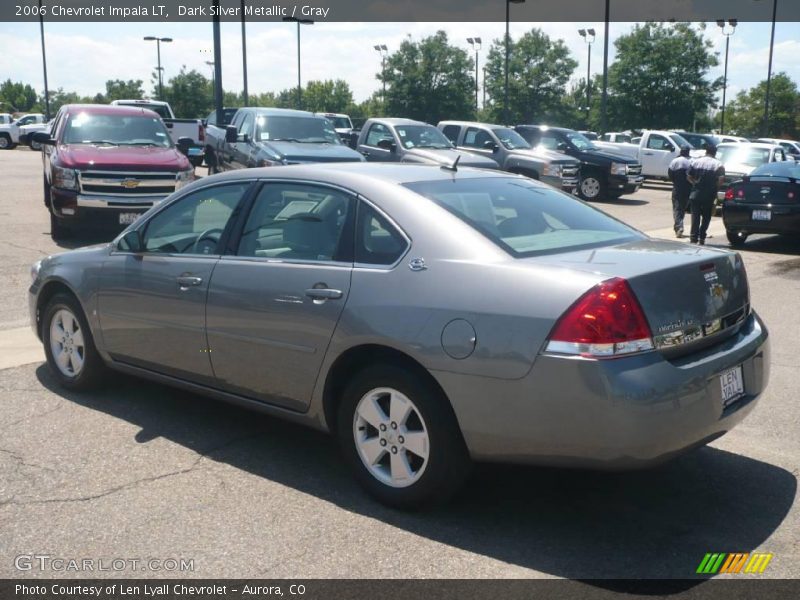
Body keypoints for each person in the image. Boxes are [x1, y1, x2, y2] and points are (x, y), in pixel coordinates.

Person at [687, 145, 725, 245]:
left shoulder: (696, 162)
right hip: (709, 195)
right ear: (715, 153)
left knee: (695, 216)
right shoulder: (718, 164)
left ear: (706, 152)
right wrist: (714, 188)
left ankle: (693, 238)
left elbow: (689, 176)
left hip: (695, 194)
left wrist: (695, 183)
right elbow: (721, 180)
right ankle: (702, 237)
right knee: (706, 216)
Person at [667, 145, 693, 238]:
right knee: (682, 208)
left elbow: (670, 174)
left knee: (677, 208)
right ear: (688, 152)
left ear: (681, 151)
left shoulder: (675, 161)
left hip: (677, 188)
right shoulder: (692, 161)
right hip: (689, 188)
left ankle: (679, 227)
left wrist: (675, 181)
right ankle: (678, 226)